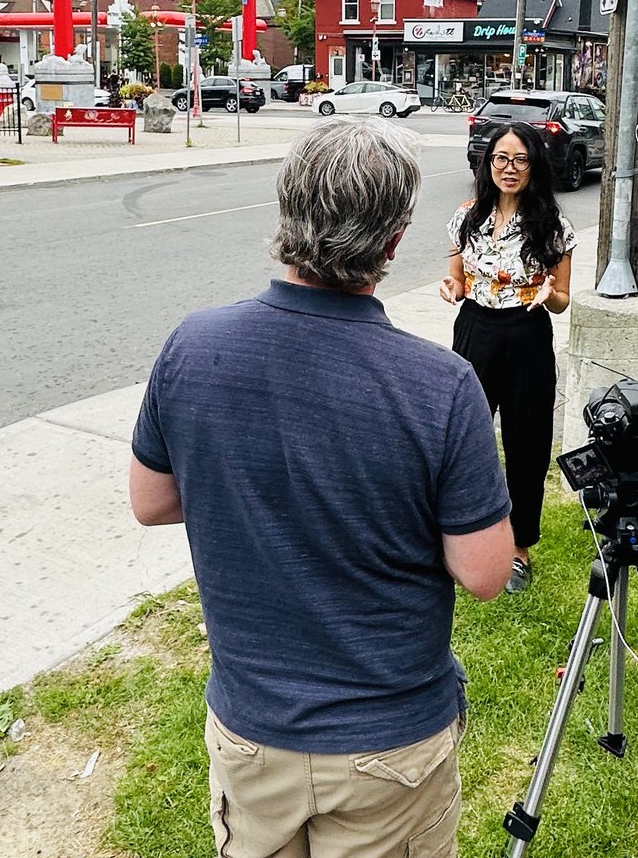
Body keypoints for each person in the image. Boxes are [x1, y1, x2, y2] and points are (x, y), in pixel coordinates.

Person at [130, 117, 514, 858]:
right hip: (390, 746)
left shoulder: (194, 344)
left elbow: (151, 501)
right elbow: (485, 572)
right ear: (395, 240)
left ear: (285, 213)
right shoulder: (441, 386)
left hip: (251, 731)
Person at [439, 121, 576, 594]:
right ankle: (458, 534)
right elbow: (457, 276)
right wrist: (452, 286)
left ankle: (519, 549)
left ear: (534, 165)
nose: (510, 169)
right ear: (488, 163)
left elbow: (562, 298)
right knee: (464, 438)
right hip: (475, 331)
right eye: (501, 159)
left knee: (527, 445)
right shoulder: (467, 215)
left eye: (520, 160)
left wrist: (549, 295)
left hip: (528, 335)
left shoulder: (553, 225)